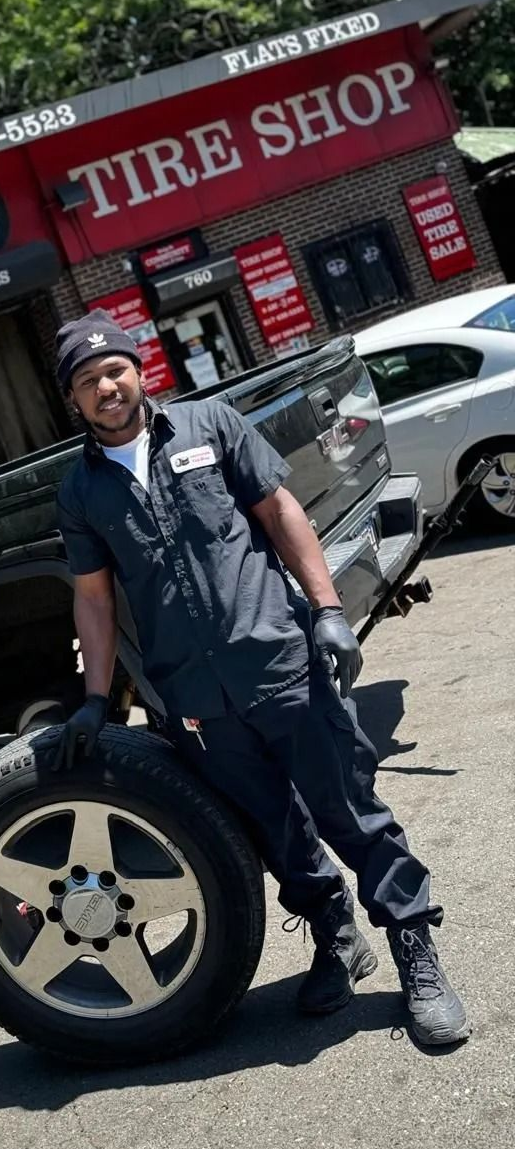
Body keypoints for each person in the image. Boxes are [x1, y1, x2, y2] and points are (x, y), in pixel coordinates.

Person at [51, 310, 469, 1048]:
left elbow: (280, 511)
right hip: (197, 699)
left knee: (350, 808)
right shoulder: (81, 490)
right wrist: (94, 698)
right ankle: (337, 934)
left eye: (113, 369)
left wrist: (328, 611)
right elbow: (94, 595)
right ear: (74, 401)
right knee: (274, 829)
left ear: (138, 368)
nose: (106, 386)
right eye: (88, 381)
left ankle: (415, 948)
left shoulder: (211, 425)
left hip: (278, 662)